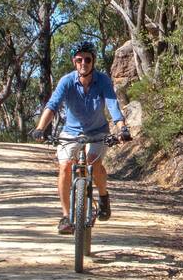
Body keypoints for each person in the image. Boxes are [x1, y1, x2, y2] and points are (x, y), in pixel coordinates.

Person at [31, 40, 131, 232]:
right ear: (74, 62)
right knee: (65, 167)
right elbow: (52, 106)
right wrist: (40, 128)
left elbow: (113, 106)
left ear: (93, 62)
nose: (83, 63)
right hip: (71, 132)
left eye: (87, 59)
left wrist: (122, 128)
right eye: (79, 60)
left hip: (98, 131)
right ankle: (66, 217)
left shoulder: (102, 80)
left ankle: (103, 198)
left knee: (94, 163)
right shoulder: (67, 81)